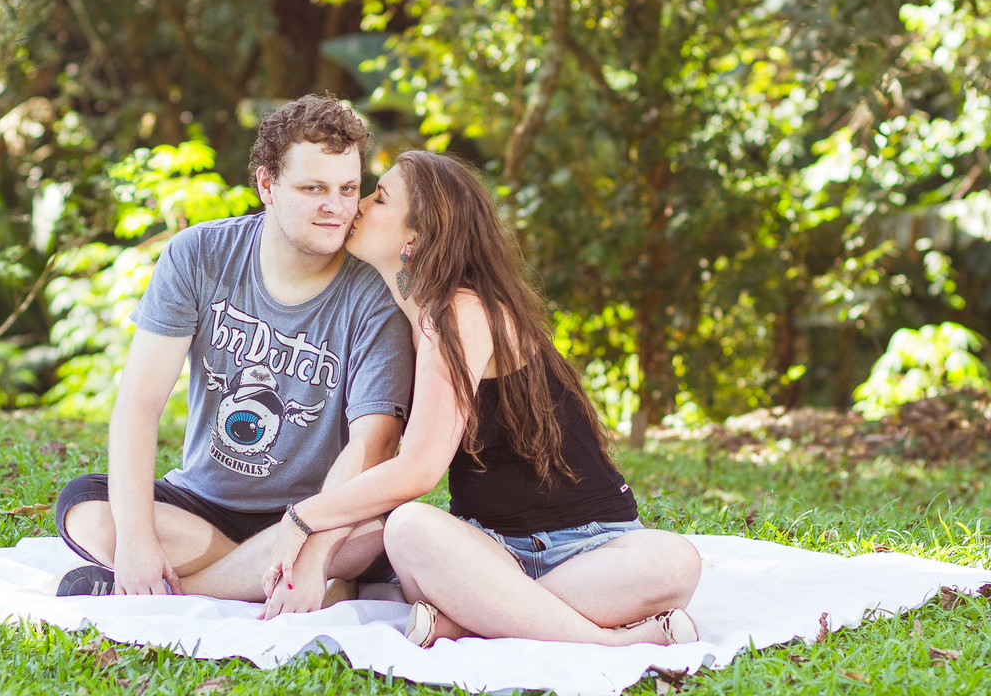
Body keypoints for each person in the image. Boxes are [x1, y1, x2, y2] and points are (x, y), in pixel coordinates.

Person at [262, 150, 703, 645]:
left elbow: (419, 468)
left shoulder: (462, 311)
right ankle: (543, 620)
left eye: (379, 197)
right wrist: (320, 545)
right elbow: (383, 456)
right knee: (408, 530)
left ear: (417, 237)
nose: (358, 205)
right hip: (489, 550)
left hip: (592, 547)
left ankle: (496, 621)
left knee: (675, 563)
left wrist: (302, 517)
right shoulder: (402, 319)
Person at [52, 95, 414, 616]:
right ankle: (281, 582)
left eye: (348, 189)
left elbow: (374, 443)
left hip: (323, 513)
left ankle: (191, 590)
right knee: (87, 508)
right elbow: (139, 402)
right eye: (313, 189)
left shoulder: (375, 289)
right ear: (267, 185)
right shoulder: (199, 254)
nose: (336, 207)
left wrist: (310, 532)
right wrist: (135, 542)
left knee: (378, 532)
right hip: (205, 506)